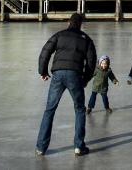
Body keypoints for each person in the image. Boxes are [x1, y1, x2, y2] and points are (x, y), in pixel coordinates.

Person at [36, 12, 97, 157]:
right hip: (75, 75)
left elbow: (45, 52)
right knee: (80, 109)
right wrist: (85, 79)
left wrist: (42, 71)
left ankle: (41, 147)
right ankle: (78, 146)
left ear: (68, 22)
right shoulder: (86, 39)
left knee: (49, 110)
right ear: (81, 24)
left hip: (57, 74)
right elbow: (91, 62)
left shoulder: (59, 35)